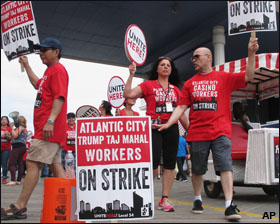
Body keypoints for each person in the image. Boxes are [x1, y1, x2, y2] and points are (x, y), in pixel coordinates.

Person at [157, 36, 259, 220]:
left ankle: (229, 205)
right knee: (197, 169)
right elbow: (181, 108)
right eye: (193, 58)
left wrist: (251, 53)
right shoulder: (189, 83)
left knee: (225, 166)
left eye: (197, 57)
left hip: (221, 131)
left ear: (208, 57)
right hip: (197, 133)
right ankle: (197, 199)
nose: (193, 60)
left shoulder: (224, 77)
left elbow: (249, 76)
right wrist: (168, 123)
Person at [1, 37, 69, 220]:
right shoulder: (49, 73)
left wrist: (51, 121)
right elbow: (36, 84)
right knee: (56, 166)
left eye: (45, 50)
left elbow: (60, 97)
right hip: (47, 129)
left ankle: (20, 206)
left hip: (47, 130)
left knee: (32, 163)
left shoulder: (58, 70)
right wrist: (27, 64)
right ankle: (67, 204)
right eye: (40, 50)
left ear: (56, 52)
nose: (41, 53)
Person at [123, 57, 189, 212]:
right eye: (162, 65)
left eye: (168, 65)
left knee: (170, 163)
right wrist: (131, 74)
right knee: (152, 163)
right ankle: (144, 195)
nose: (166, 67)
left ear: (171, 70)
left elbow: (181, 113)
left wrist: (189, 130)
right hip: (153, 127)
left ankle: (164, 199)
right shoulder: (148, 85)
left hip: (171, 128)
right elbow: (128, 94)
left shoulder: (175, 90)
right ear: (157, 69)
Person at [6, 116, 28, 186]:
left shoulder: (20, 127)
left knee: (11, 163)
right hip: (22, 147)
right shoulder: (24, 129)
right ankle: (18, 180)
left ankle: (13, 180)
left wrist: (11, 127)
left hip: (17, 147)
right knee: (20, 163)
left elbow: (15, 136)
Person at [1, 116, 12, 184]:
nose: (4, 121)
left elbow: (10, 139)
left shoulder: (9, 128)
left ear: (7, 122)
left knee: (4, 163)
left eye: (5, 120)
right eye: (2, 119)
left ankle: (4, 177)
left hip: (6, 148)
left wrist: (8, 136)